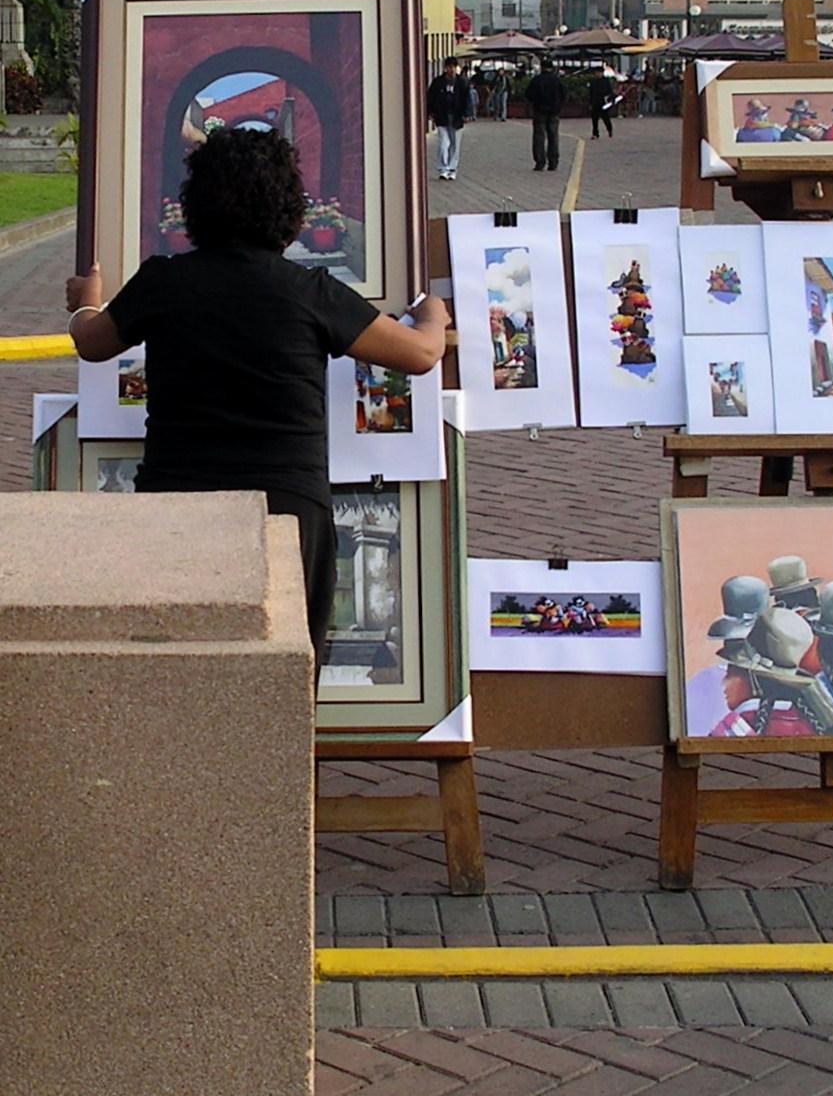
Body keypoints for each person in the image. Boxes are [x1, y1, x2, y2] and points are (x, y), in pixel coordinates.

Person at [64, 128, 451, 682]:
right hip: (288, 508)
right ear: (290, 213)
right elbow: (420, 354)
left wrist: (86, 302)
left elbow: (91, 341)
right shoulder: (309, 291)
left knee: (178, 678)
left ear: (195, 207)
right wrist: (432, 314)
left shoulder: (163, 282)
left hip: (176, 503)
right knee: (283, 682)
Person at [426, 57, 470, 181]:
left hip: (457, 117)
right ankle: (443, 168)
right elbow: (430, 97)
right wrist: (430, 112)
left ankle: (452, 169)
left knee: (455, 145)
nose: (451, 70)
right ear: (445, 68)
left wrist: (467, 114)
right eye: (449, 67)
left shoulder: (462, 82)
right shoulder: (438, 82)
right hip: (442, 117)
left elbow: (467, 99)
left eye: (453, 67)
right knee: (443, 144)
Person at [525, 55, 567, 172]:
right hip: (554, 112)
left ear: (542, 67)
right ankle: (553, 162)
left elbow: (528, 95)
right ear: (552, 68)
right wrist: (558, 107)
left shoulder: (537, 80)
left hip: (539, 111)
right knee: (553, 136)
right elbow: (564, 95)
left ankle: (540, 162)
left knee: (539, 136)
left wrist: (536, 103)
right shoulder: (557, 80)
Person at [588, 69, 615, 140]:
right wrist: (590, 103)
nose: (598, 74)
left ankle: (609, 129)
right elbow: (591, 93)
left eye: (599, 73)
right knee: (594, 119)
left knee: (606, 118)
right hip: (595, 102)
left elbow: (610, 91)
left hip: (603, 103)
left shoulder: (606, 81)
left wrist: (612, 100)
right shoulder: (593, 82)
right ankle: (595, 134)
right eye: (596, 73)